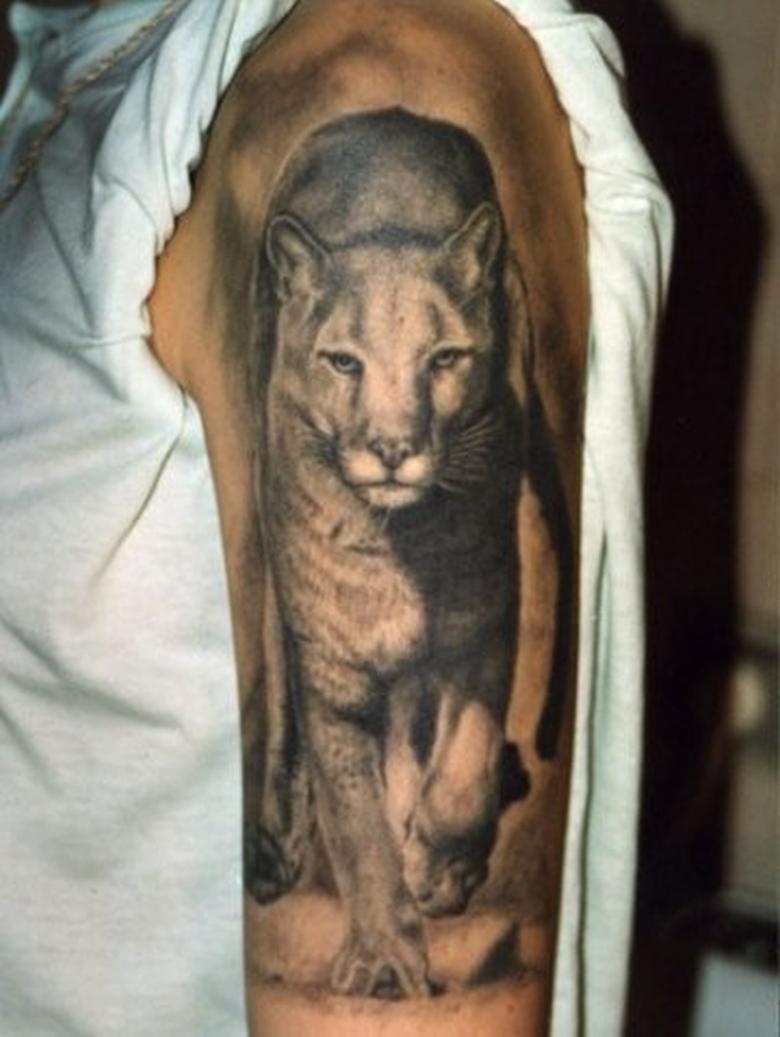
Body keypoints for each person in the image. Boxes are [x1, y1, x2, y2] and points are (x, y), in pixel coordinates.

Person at [0, 1, 672, 1034]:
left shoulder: (376, 58)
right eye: (348, 366)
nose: (393, 432)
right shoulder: (82, 44)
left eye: (440, 362)